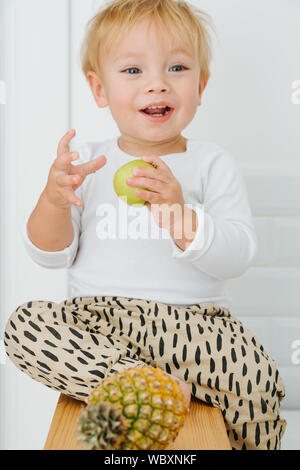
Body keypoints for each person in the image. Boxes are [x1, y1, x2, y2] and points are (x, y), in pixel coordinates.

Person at [4, 0, 286, 450]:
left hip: (195, 330)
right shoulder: (87, 165)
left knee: (260, 379)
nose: (157, 84)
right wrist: (54, 200)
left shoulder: (210, 163)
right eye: (133, 71)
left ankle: (170, 395)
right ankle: (141, 383)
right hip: (99, 324)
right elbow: (49, 253)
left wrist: (180, 214)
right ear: (99, 89)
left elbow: (237, 255)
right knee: (23, 326)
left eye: (176, 67)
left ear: (201, 84)